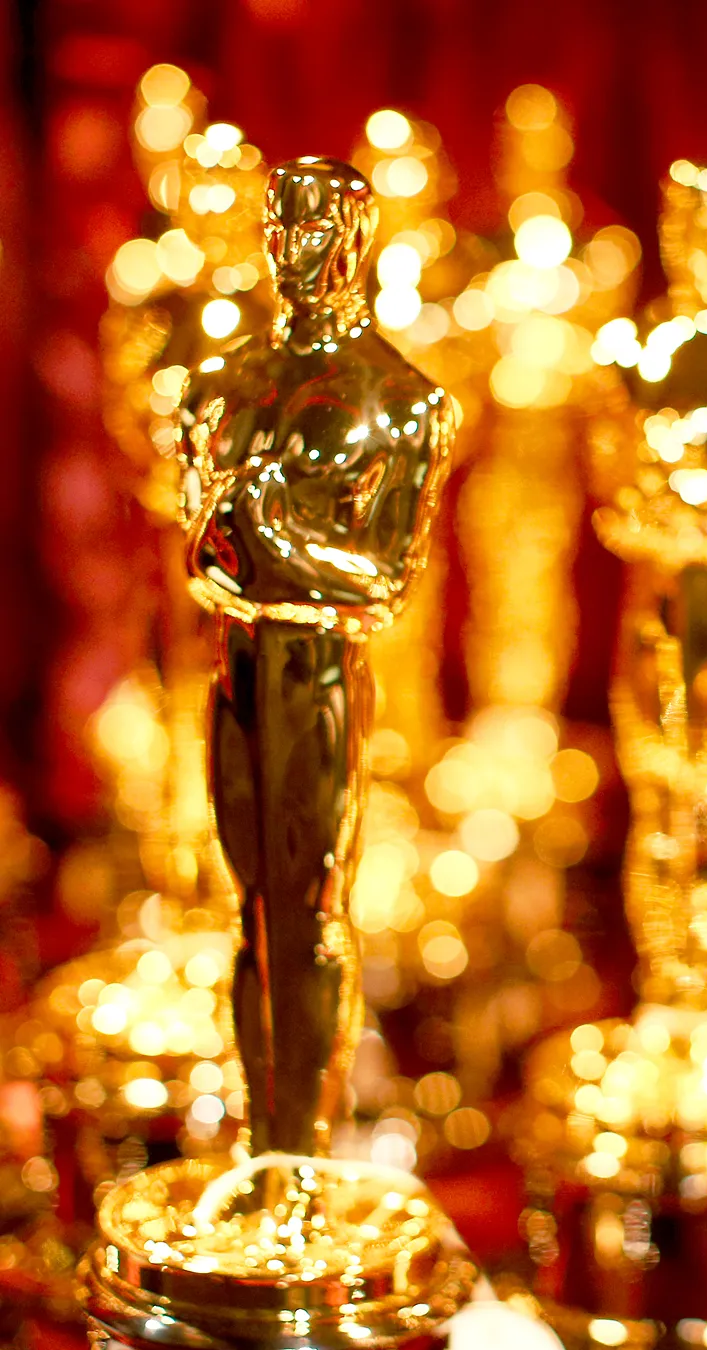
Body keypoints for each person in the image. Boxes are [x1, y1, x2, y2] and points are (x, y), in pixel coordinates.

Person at [179, 158, 457, 1159]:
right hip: (241, 670)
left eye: (316, 230)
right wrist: (249, 545)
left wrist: (260, 535)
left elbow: (381, 577)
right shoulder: (225, 383)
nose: (296, 251)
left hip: (323, 677)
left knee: (313, 914)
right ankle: (264, 1149)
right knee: (249, 915)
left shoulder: (400, 397)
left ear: (354, 242)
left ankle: (305, 1153)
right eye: (282, 229)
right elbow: (197, 554)